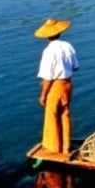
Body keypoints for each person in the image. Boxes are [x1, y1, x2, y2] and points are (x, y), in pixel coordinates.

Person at [35, 18, 79, 155]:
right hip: (67, 84)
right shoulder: (68, 46)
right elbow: (75, 67)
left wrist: (43, 95)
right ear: (60, 32)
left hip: (55, 86)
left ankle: (54, 148)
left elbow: (48, 77)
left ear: (47, 35)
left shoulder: (48, 51)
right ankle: (66, 147)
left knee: (52, 116)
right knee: (65, 114)